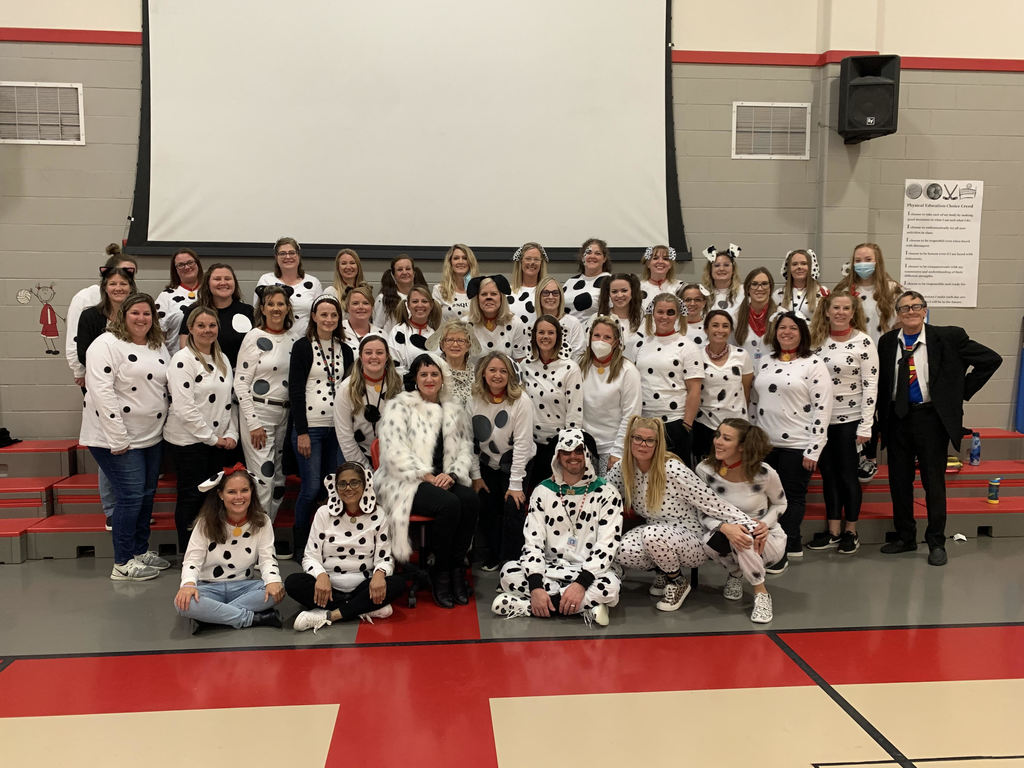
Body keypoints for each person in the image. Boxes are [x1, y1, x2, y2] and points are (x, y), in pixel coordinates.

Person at [877, 291, 1001, 566]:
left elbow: (991, 360)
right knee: (899, 481)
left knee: (933, 482)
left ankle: (936, 541)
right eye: (904, 307)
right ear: (897, 313)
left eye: (916, 306)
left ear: (925, 310)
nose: (910, 311)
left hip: (931, 419)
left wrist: (957, 393)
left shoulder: (948, 337)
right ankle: (905, 537)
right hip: (896, 419)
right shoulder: (886, 343)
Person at [608, 417, 754, 612]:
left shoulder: (672, 469)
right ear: (629, 440)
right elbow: (602, 495)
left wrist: (750, 524)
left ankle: (677, 582)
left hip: (692, 539)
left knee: (652, 534)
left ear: (658, 443)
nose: (643, 444)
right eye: (638, 438)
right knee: (622, 550)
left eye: (650, 440)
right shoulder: (623, 468)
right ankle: (663, 570)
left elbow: (711, 502)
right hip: (655, 534)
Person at [375, 354, 480, 608]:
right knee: (449, 505)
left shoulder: (454, 408)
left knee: (470, 500)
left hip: (443, 479)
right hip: (404, 481)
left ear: (442, 378)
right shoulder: (399, 407)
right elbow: (393, 453)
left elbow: (465, 450)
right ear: (415, 379)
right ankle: (441, 571)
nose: (430, 379)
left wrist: (452, 474)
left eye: (434, 374)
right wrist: (428, 476)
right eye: (424, 374)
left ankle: (456, 568)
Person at [80, 293, 171, 582]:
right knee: (130, 498)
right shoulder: (105, 345)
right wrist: (118, 438)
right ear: (123, 316)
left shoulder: (157, 345)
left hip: (151, 436)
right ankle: (122, 562)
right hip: (116, 438)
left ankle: (139, 551)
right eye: (136, 313)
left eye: (147, 314)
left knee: (145, 497)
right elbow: (101, 393)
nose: (142, 318)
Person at [491, 428, 621, 627]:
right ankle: (583, 608)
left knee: (610, 586)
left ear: (587, 454)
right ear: (557, 456)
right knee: (508, 572)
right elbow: (532, 542)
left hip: (589, 573)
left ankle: (527, 607)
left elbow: (607, 546)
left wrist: (580, 584)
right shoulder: (542, 491)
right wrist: (535, 587)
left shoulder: (607, 493)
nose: (573, 457)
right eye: (566, 452)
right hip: (549, 570)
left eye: (578, 451)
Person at [749, 312, 832, 572]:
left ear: (802, 332)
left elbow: (823, 407)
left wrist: (814, 448)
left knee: (791, 498)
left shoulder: (812, 363)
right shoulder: (764, 361)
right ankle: (792, 542)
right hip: (765, 444)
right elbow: (754, 402)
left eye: (792, 328)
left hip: (797, 444)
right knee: (766, 499)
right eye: (781, 328)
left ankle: (780, 551)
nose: (786, 332)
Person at [287, 463, 407, 631]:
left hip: (364, 586)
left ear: (365, 485)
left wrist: (379, 574)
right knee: (293, 582)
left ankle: (329, 615)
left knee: (398, 583)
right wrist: (321, 576)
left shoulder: (379, 515)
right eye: (342, 484)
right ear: (335, 487)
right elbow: (310, 556)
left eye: (355, 482)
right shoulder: (323, 513)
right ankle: (361, 608)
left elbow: (385, 558)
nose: (348, 488)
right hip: (328, 589)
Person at [806, 290, 878, 554]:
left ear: (853, 312)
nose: (840, 313)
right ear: (826, 310)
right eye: (835, 308)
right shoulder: (816, 341)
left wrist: (866, 425)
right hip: (822, 420)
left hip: (850, 420)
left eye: (846, 308)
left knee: (848, 476)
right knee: (829, 476)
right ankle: (833, 530)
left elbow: (871, 385)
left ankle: (851, 531)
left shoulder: (864, 342)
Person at [695, 419, 787, 624]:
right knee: (733, 535)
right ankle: (736, 572)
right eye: (717, 435)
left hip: (765, 539)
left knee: (744, 532)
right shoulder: (704, 470)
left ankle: (761, 593)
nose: (717, 441)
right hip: (723, 535)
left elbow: (781, 504)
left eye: (726, 438)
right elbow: (701, 512)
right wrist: (725, 527)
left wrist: (766, 524)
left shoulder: (765, 473)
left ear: (743, 446)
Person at [164, 306, 239, 553]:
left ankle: (210, 549)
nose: (207, 330)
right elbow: (185, 409)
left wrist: (231, 435)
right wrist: (212, 439)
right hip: (189, 443)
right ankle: (188, 553)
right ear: (191, 329)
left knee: (212, 499)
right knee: (191, 497)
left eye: (212, 325)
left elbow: (229, 402)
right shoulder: (182, 360)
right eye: (201, 326)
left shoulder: (223, 359)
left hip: (217, 442)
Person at [173, 465, 284, 631]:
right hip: (208, 587)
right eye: (231, 492)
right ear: (220, 495)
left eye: (244, 490)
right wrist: (188, 585)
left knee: (277, 591)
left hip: (245, 586)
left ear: (252, 492)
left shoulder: (263, 521)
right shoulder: (205, 522)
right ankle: (250, 618)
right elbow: (192, 560)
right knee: (182, 604)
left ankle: (211, 618)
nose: (239, 497)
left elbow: (268, 559)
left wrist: (274, 581)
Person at [74, 259, 138, 531]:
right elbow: (82, 354)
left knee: (132, 455)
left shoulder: (138, 314)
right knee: (111, 448)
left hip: (135, 396)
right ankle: (112, 509)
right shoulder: (91, 316)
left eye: (123, 283)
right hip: (104, 393)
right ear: (104, 287)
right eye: (113, 283)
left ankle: (130, 509)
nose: (118, 288)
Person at [289, 295, 354, 558]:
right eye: (323, 314)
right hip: (311, 427)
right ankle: (300, 545)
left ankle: (328, 542)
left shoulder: (345, 349)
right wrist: (302, 431)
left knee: (334, 488)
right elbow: (295, 390)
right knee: (312, 487)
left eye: (333, 315)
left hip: (337, 429)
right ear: (314, 317)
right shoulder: (303, 347)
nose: (328, 319)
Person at [834, 242, 904, 483]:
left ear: (878, 260)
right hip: (849, 358)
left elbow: (902, 322)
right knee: (853, 408)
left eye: (868, 259)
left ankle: (870, 458)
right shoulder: (845, 288)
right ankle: (853, 454)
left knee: (874, 407)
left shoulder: (893, 290)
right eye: (858, 259)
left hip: (881, 356)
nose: (863, 264)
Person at [470, 352, 536, 570]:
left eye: (503, 371)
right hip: (487, 463)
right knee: (488, 509)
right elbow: (468, 441)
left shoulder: (521, 401)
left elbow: (523, 444)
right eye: (492, 370)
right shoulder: (474, 398)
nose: (497, 375)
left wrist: (516, 484)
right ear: (483, 373)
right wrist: (476, 477)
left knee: (512, 509)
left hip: (517, 463)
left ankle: (512, 563)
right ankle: (495, 556)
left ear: (510, 375)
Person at [234, 285, 294, 525]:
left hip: (285, 415)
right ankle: (256, 539)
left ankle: (265, 533)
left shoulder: (293, 339)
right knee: (263, 478)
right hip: (259, 414)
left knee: (279, 480)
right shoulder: (254, 337)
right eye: (271, 304)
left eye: (280, 304)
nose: (276, 309)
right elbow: (240, 384)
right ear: (262, 308)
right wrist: (253, 422)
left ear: (288, 307)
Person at [633, 292, 703, 466]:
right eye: (660, 312)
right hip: (645, 422)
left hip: (674, 423)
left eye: (670, 312)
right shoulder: (641, 344)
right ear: (653, 313)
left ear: (678, 315)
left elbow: (694, 389)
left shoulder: (688, 346)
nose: (665, 317)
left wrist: (686, 425)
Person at [519, 315, 584, 489]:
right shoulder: (525, 366)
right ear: (534, 336)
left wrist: (568, 450)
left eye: (550, 332)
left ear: (558, 337)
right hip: (530, 446)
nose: (545, 336)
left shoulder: (570, 368)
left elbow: (574, 413)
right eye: (541, 332)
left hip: (558, 446)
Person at [66, 243, 137, 388]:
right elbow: (75, 338)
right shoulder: (85, 298)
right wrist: (79, 371)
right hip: (95, 371)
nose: (119, 286)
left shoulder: (133, 301)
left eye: (131, 273)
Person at [579, 316, 642, 474]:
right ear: (590, 337)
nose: (601, 341)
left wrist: (618, 451)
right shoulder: (580, 365)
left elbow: (631, 414)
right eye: (597, 336)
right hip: (584, 444)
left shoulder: (627, 371)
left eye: (607, 337)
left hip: (612, 446)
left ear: (616, 342)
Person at [693, 309, 754, 465]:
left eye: (725, 326)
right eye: (715, 325)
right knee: (707, 474)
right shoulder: (696, 356)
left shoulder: (742, 355)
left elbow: (746, 391)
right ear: (706, 329)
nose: (720, 330)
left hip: (736, 427)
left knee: (735, 471)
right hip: (705, 425)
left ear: (730, 330)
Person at [333, 335, 402, 467]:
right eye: (368, 352)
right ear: (360, 356)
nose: (374, 357)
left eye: (380, 352)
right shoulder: (346, 389)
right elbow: (344, 435)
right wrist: (365, 469)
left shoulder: (399, 385)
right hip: (355, 454)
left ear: (387, 356)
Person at [176, 262, 254, 367]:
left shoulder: (248, 311)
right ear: (208, 283)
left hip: (241, 376)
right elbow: (185, 348)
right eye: (217, 279)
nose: (223, 283)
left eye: (227, 279)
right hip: (204, 375)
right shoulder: (194, 311)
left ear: (234, 282)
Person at [253, 237, 323, 339]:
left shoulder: (313, 282)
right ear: (276, 257)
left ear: (298, 255)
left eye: (292, 252)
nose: (288, 256)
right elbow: (258, 314)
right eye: (282, 253)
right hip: (273, 340)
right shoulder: (266, 280)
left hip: (306, 341)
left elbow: (319, 315)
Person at [468, 275, 530, 361]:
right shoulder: (466, 325)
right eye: (484, 294)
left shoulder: (516, 323)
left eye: (493, 294)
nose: (488, 297)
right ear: (477, 298)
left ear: (501, 298)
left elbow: (520, 361)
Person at [155, 248, 204, 357]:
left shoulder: (210, 292)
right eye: (181, 265)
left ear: (198, 264)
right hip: (175, 361)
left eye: (190, 262)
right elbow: (158, 336)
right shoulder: (166, 296)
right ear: (175, 270)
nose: (187, 267)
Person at [426, 319, 480, 407]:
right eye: (450, 340)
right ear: (442, 345)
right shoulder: (433, 371)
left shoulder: (477, 374)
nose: (455, 345)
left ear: (468, 346)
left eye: (461, 341)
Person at [389, 285, 442, 374]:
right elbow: (395, 366)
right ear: (408, 305)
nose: (420, 305)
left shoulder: (436, 335)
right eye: (415, 301)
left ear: (431, 305)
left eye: (424, 301)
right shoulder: (398, 331)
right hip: (406, 386)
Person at [373, 254, 428, 334]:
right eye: (400, 270)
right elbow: (377, 327)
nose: (404, 272)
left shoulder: (423, 297)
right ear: (393, 275)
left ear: (414, 273)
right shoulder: (383, 298)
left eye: (408, 269)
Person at [733, 267, 778, 363]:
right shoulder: (736, 317)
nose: (760, 288)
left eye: (765, 284)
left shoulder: (781, 316)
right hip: (745, 375)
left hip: (773, 374)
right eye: (754, 284)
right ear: (747, 289)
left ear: (771, 288)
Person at [535, 277, 586, 358]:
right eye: (546, 293)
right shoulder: (533, 323)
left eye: (555, 293)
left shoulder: (573, 323)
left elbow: (578, 356)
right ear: (539, 296)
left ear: (561, 296)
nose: (551, 297)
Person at [562, 237, 611, 321]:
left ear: (604, 258)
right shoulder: (570, 281)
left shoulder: (610, 282)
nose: (592, 256)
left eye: (597, 253)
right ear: (582, 257)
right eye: (588, 252)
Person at [774, 248, 829, 321]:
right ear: (789, 269)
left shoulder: (822, 292)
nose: (799, 267)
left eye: (804, 263)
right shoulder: (778, 294)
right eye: (794, 264)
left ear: (811, 267)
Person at [432, 243, 479, 322]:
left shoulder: (480, 289)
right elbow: (433, 320)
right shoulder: (439, 290)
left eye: (465, 258)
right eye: (456, 258)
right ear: (450, 263)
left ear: (470, 262)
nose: (460, 261)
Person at [598, 273, 643, 354]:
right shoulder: (598, 319)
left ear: (632, 291)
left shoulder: (644, 320)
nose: (619, 295)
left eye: (624, 290)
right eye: (614, 291)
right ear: (609, 294)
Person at [508, 241, 548, 327]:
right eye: (528, 259)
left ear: (541, 263)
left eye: (536, 259)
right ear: (521, 262)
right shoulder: (507, 292)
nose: (532, 262)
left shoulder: (548, 292)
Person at [340, 284, 383, 359]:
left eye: (365, 303)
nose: (361, 307)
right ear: (348, 307)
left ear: (372, 307)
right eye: (355, 303)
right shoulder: (338, 331)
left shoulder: (381, 334)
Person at [701, 244, 744, 318]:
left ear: (733, 269)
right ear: (710, 270)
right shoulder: (702, 293)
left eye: (726, 265)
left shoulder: (744, 292)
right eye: (717, 265)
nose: (721, 269)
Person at [638, 245, 682, 311]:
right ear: (648, 264)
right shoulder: (638, 288)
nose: (660, 261)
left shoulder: (680, 287)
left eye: (665, 259)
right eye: (655, 258)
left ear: (670, 265)